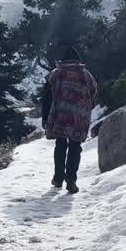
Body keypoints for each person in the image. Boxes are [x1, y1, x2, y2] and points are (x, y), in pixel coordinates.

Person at [41, 45, 97, 194]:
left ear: (63, 60)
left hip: (60, 114)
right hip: (79, 115)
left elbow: (46, 97)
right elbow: (93, 91)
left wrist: (45, 117)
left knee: (60, 144)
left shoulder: (56, 73)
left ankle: (58, 178)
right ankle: (71, 181)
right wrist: (85, 107)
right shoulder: (86, 75)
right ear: (78, 60)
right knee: (75, 146)